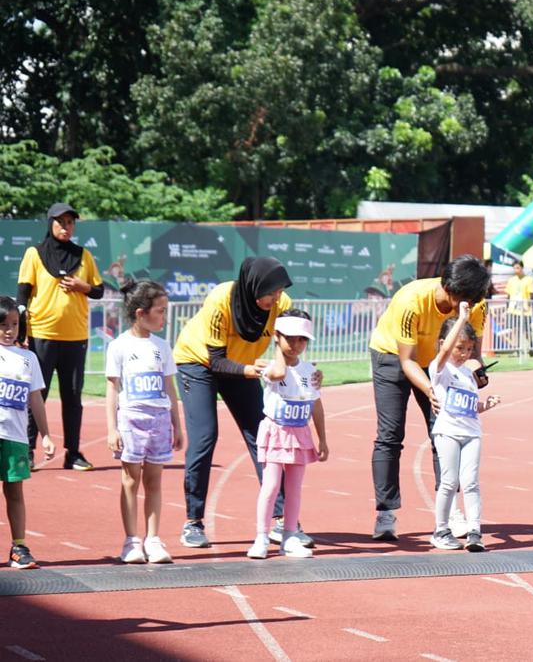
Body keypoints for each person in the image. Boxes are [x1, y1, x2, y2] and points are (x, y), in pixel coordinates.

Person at [174, 257, 313, 549]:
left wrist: (305, 371)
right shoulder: (221, 299)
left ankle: (281, 520)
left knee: (262, 434)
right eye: (271, 292)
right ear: (254, 287)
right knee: (205, 436)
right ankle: (193, 521)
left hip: (244, 366)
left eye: (280, 291)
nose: (277, 298)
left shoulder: (281, 304)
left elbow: (287, 345)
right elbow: (216, 361)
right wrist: (251, 370)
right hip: (198, 363)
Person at [368, 255, 490, 541]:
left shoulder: (476, 305)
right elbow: (407, 360)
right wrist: (431, 390)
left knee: (446, 432)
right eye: (464, 301)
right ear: (449, 289)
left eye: (474, 301)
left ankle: (450, 512)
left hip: (440, 362)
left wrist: (477, 373)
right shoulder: (411, 301)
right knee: (390, 435)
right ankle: (386, 513)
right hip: (393, 357)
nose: (469, 307)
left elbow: (473, 354)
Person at [16, 202, 104, 471]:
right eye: (60, 222)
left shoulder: (84, 255)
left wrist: (82, 286)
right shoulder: (35, 253)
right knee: (36, 395)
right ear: (50, 223)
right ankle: (28, 451)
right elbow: (22, 295)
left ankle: (73, 453)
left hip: (75, 337)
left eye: (70, 222)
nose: (66, 227)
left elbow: (99, 290)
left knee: (73, 397)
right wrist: (22, 332)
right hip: (41, 335)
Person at [105, 280, 183, 564]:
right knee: (130, 480)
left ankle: (153, 539)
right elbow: (112, 388)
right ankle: (131, 541)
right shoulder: (119, 346)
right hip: (131, 420)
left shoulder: (162, 346)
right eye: (160, 311)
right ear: (140, 313)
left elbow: (170, 387)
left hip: (159, 421)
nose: (165, 317)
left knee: (154, 481)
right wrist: (112, 428)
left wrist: (177, 424)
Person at [247, 310, 328, 559]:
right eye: (289, 338)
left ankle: (290, 536)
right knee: (271, 485)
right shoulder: (271, 367)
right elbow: (279, 374)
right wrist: (277, 349)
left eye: (302, 339)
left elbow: (316, 405)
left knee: (294, 488)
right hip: (276, 431)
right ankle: (261, 537)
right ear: (277, 337)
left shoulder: (309, 371)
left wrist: (323, 439)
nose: (296, 344)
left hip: (300, 433)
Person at [428, 302, 501, 552]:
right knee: (449, 482)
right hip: (448, 433)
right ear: (446, 344)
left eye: (469, 349)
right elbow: (445, 350)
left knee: (471, 483)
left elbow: (470, 406)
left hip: (472, 433)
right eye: (460, 348)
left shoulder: (468, 375)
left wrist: (485, 405)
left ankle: (474, 531)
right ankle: (440, 530)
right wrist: (462, 319)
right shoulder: (439, 369)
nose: (464, 354)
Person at [0, 296, 54, 569]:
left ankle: (19, 547)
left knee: (15, 492)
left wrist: (46, 434)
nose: (9, 330)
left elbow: (36, 400)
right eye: (3, 325)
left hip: (16, 437)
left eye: (14, 324)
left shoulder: (28, 358)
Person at [501, 260, 533, 355]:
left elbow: (531, 294)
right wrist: (507, 308)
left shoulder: (529, 279)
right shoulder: (511, 280)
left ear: (522, 268)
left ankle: (531, 345)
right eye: (514, 268)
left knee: (526, 330)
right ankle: (518, 349)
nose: (516, 270)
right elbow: (508, 295)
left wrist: (529, 305)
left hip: (525, 310)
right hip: (513, 309)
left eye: (518, 268)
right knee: (515, 329)